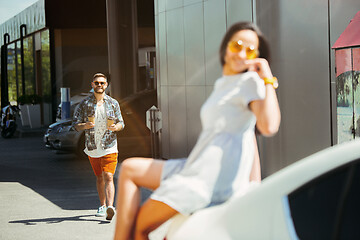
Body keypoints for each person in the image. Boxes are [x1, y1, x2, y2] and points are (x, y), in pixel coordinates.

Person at [113, 21, 280, 240]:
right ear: (225, 47)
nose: (241, 54)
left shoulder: (250, 82)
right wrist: (253, 184)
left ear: (256, 57)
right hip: (195, 166)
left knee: (139, 227)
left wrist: (267, 77)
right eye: (237, 45)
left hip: (207, 179)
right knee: (129, 168)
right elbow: (246, 134)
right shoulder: (225, 84)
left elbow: (268, 126)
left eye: (250, 50)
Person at [73, 73, 125, 221]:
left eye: (102, 83)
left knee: (108, 176)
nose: (99, 85)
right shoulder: (84, 104)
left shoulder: (113, 103)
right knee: (99, 177)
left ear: (106, 85)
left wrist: (116, 127)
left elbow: (122, 123)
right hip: (92, 146)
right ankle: (102, 206)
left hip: (110, 145)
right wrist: (85, 125)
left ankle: (110, 206)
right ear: (92, 84)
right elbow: (75, 125)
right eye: (97, 83)